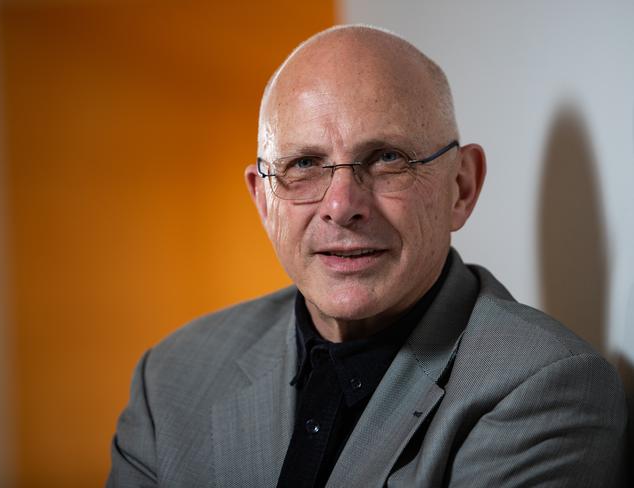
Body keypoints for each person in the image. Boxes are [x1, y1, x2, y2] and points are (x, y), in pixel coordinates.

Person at [107, 25, 627, 487]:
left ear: (461, 188)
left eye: (387, 158)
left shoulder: (548, 393)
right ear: (264, 201)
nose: (341, 206)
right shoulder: (170, 379)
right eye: (305, 163)